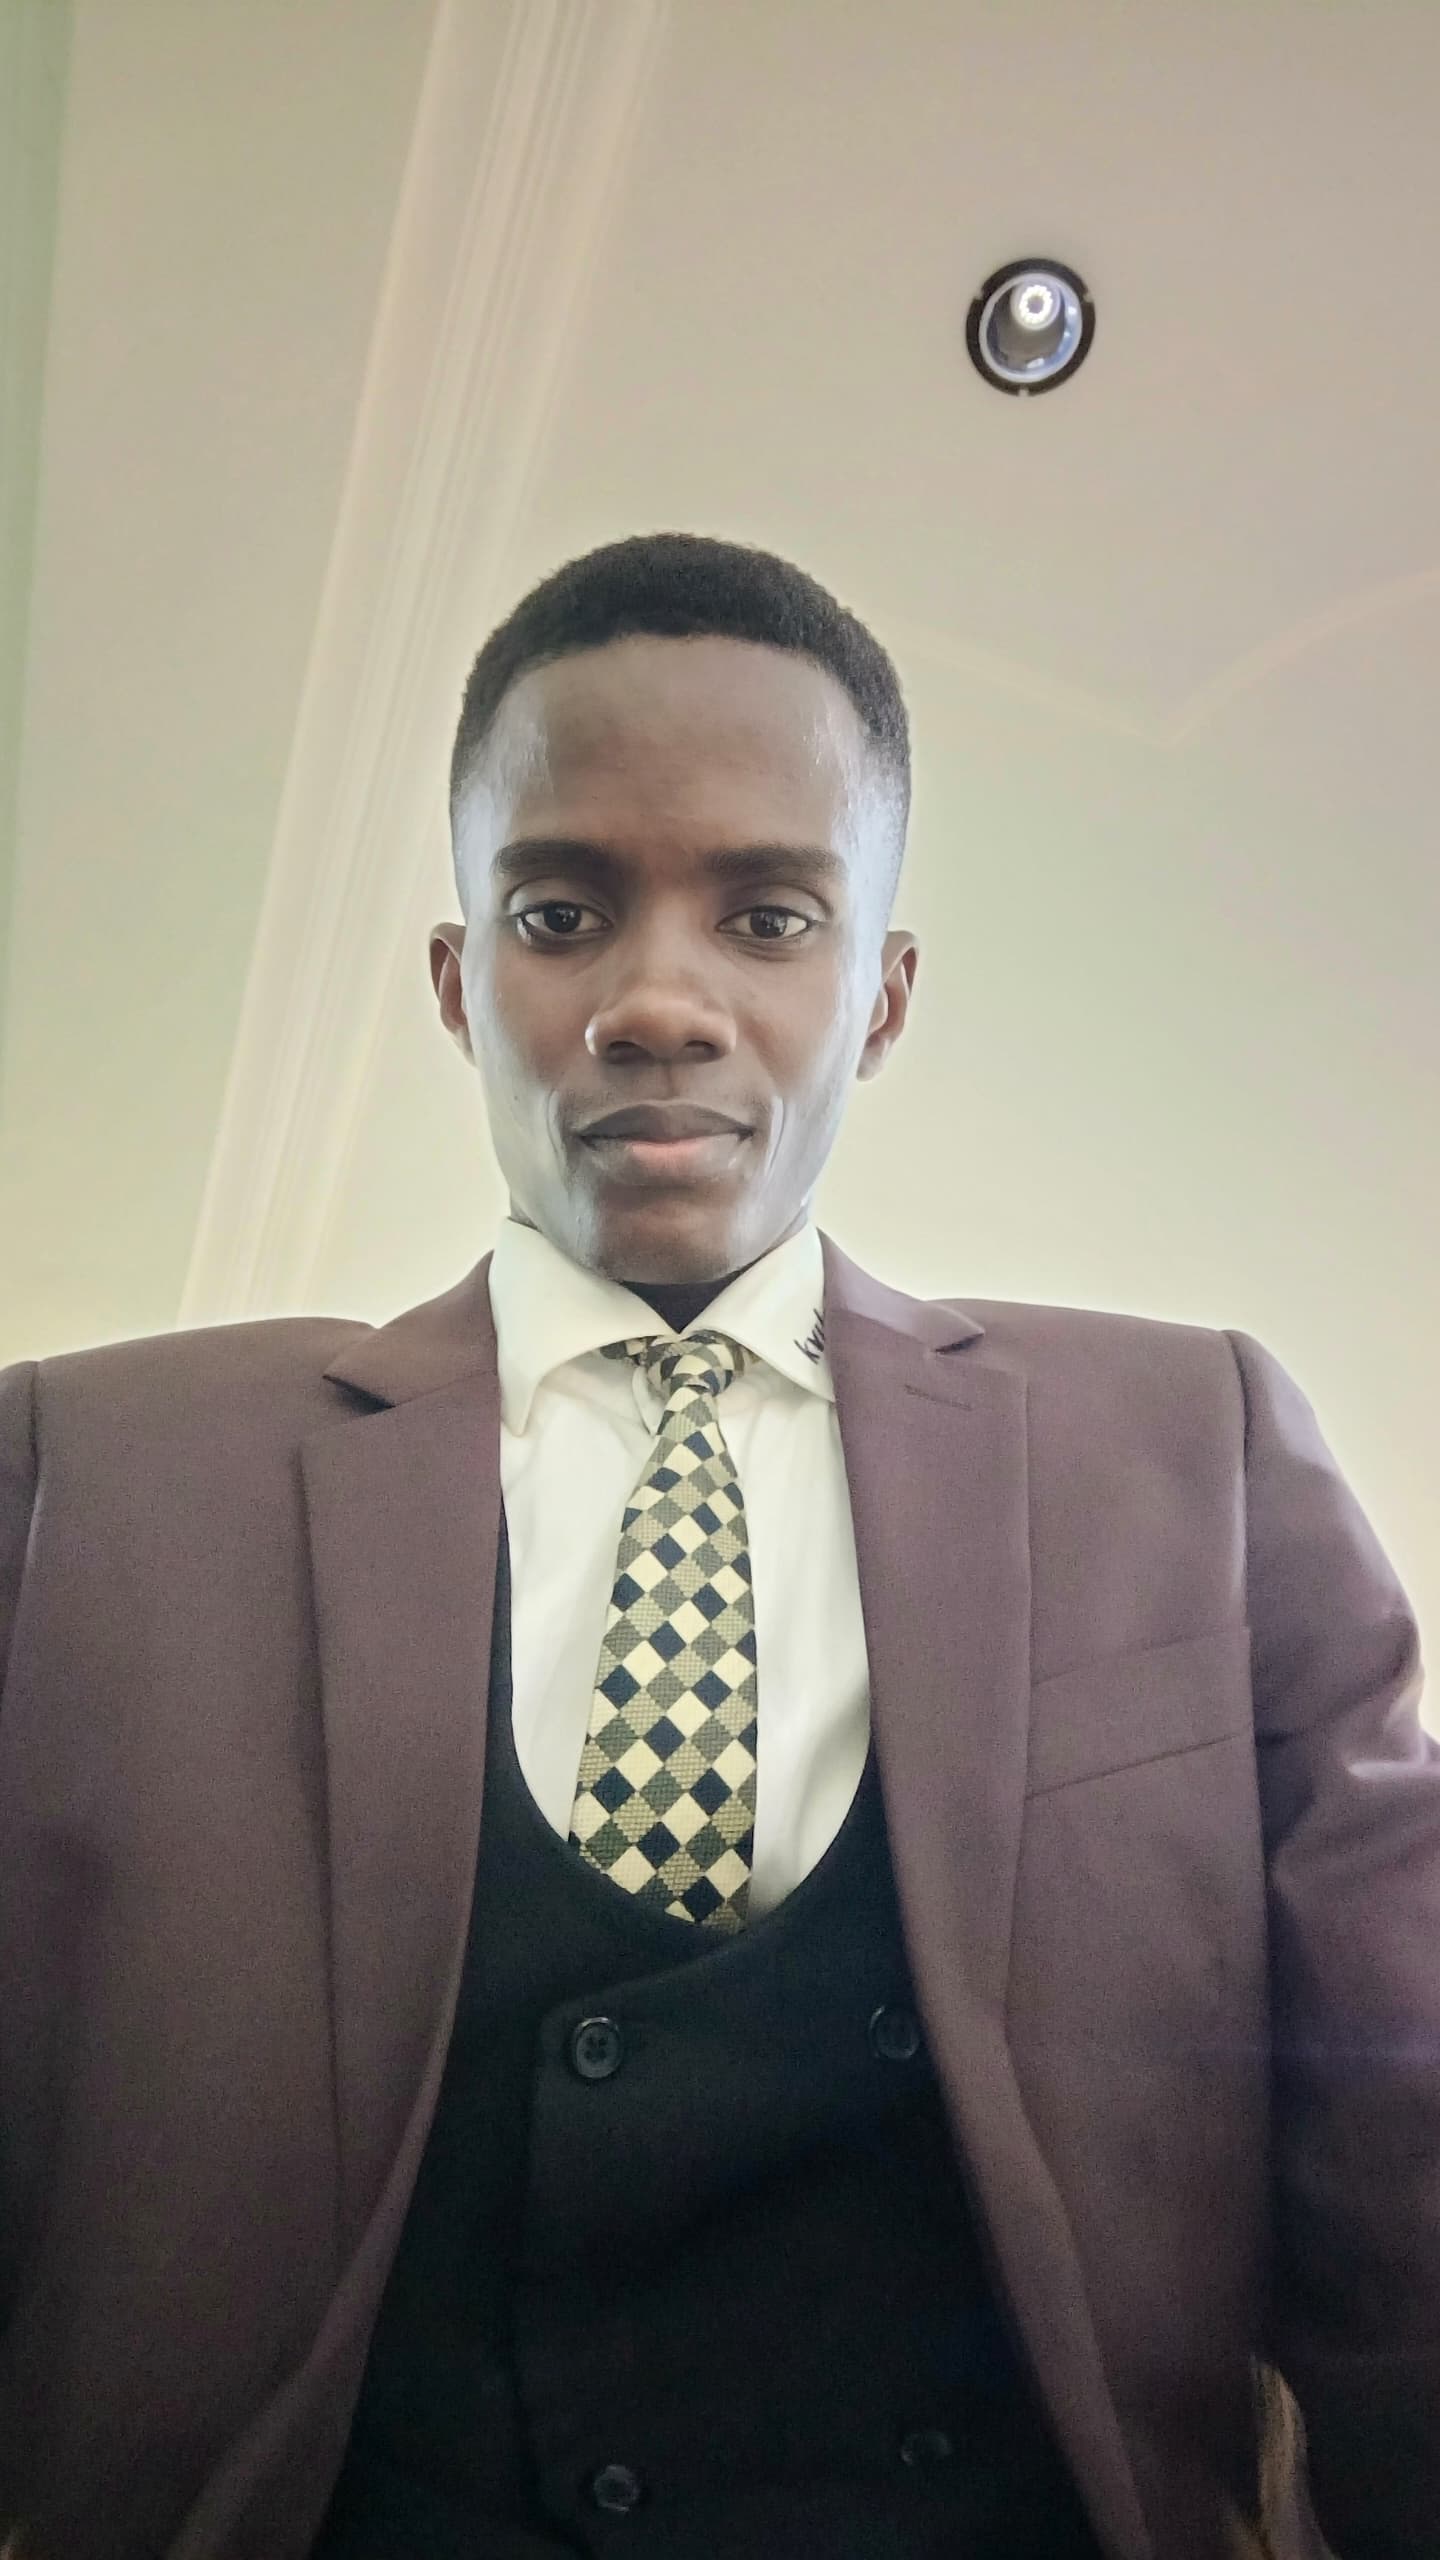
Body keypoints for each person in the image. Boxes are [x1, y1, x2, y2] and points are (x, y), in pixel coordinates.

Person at [0, 532, 1434, 2560]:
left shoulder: (1191, 1453)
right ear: (458, 982)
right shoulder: (90, 1481)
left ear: (882, 993)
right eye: (561, 911)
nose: (659, 1003)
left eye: (768, 915)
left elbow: (1402, 2128)